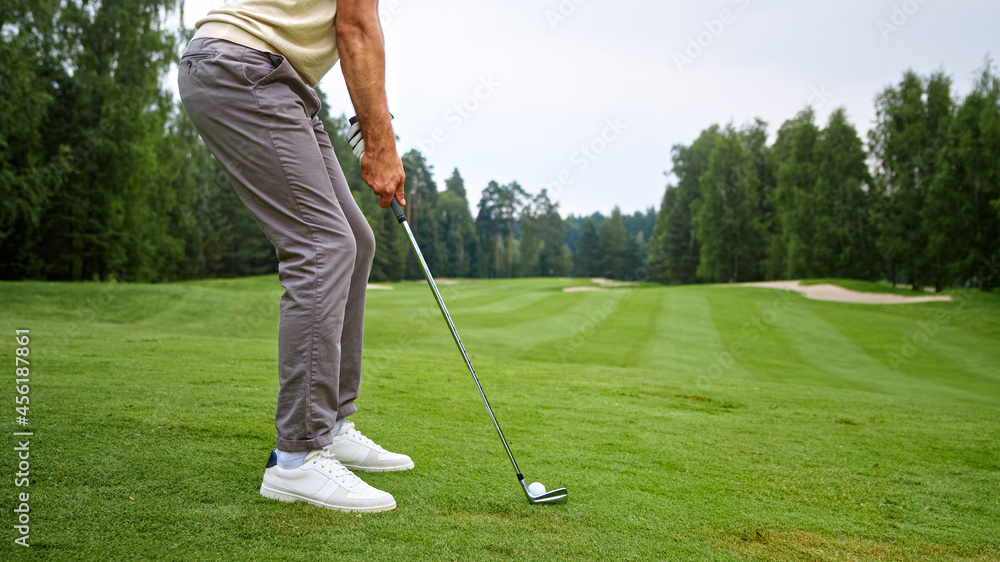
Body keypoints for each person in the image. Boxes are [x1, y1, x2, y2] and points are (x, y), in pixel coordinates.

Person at [177, 0, 409, 513]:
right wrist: (381, 145)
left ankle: (331, 422)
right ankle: (298, 458)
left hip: (276, 77)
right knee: (322, 246)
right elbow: (355, 26)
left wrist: (377, 128)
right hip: (242, 67)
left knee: (354, 238)